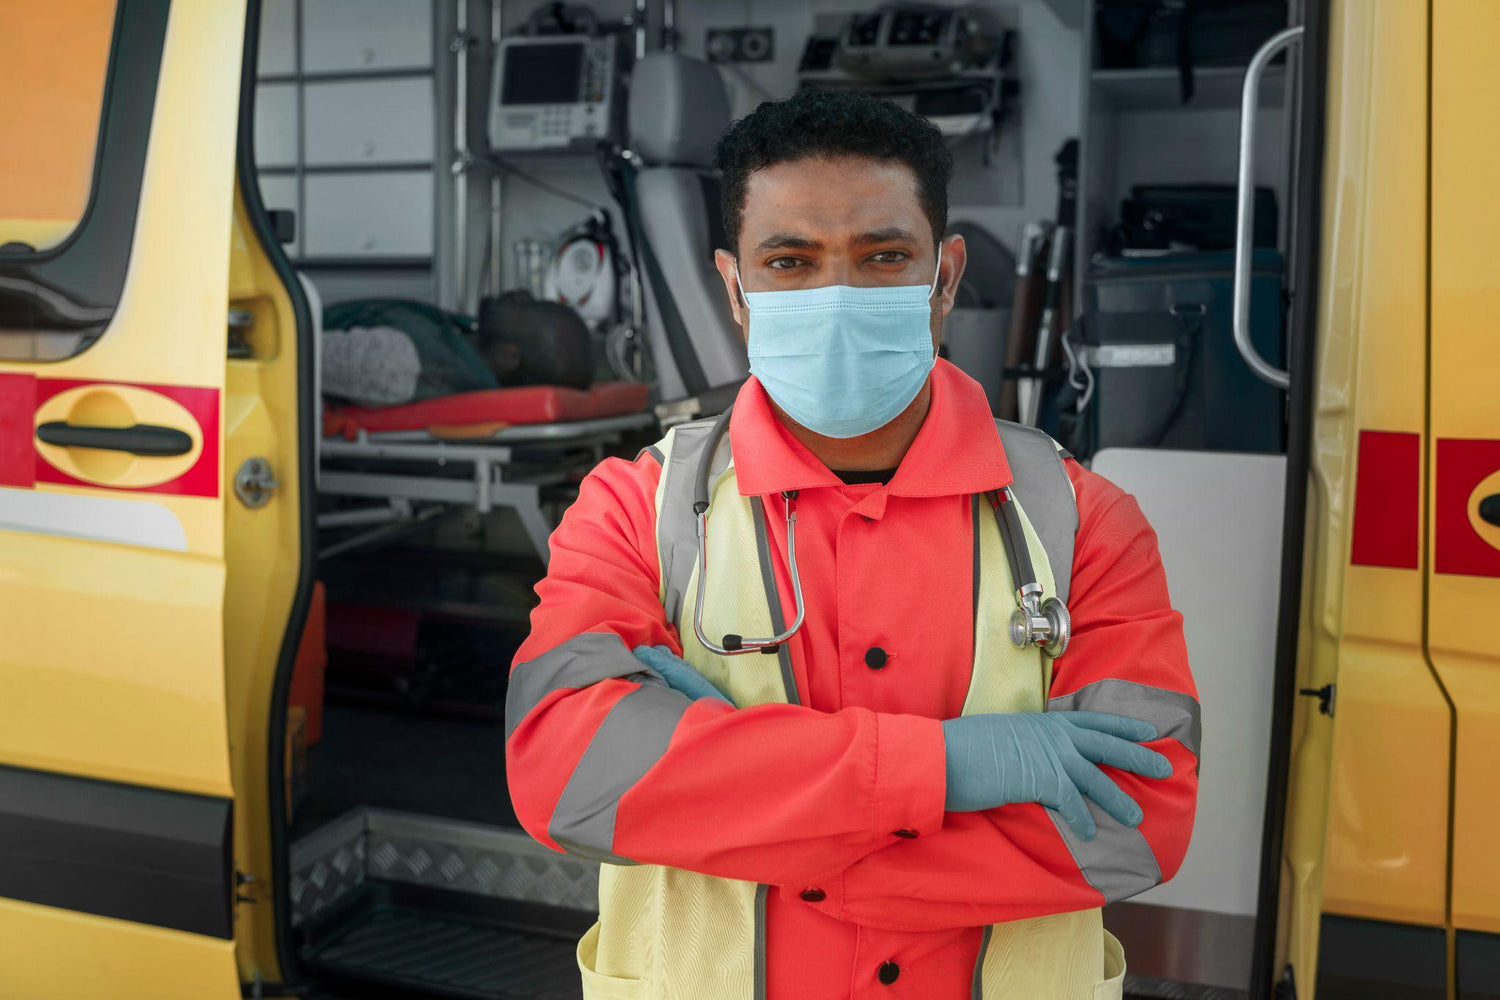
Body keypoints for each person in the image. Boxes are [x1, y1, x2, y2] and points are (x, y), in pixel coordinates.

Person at [506, 89, 1198, 1000]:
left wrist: (737, 799)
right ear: (735, 287)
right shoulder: (638, 510)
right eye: (790, 261)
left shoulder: (1083, 520)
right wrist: (942, 771)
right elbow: (571, 776)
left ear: (944, 277)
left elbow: (1137, 822)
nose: (836, 294)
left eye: (882, 256)